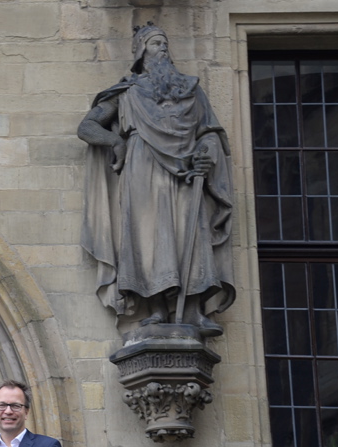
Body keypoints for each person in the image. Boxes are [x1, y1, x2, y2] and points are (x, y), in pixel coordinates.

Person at [77, 22, 234, 337]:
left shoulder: (191, 90)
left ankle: (193, 310)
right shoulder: (127, 92)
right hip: (143, 168)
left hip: (187, 171)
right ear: (141, 52)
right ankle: (158, 309)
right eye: (155, 44)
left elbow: (210, 133)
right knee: (150, 238)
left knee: (190, 232)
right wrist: (116, 142)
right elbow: (87, 127)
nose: (162, 48)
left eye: (164, 43)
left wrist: (206, 153)